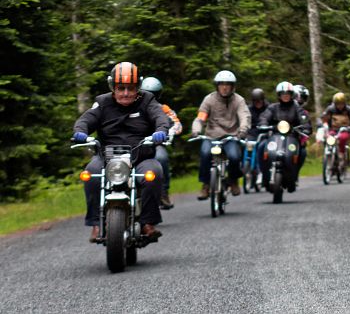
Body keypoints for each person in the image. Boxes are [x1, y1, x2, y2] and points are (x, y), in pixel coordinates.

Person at [73, 62, 171, 241]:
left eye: (131, 88)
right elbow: (86, 119)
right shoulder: (102, 102)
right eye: (121, 88)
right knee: (90, 174)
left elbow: (160, 117)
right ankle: (96, 223)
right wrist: (80, 132)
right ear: (113, 87)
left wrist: (161, 131)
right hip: (106, 157)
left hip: (140, 156)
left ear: (138, 88)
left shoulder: (147, 100)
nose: (126, 93)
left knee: (154, 173)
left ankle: (148, 223)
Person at [191, 70, 251, 200]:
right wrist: (196, 130)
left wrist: (242, 131)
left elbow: (244, 116)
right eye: (221, 84)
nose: (224, 87)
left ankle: (233, 180)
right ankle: (205, 185)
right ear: (217, 86)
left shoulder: (239, 100)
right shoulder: (209, 99)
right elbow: (200, 118)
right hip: (211, 136)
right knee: (205, 153)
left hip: (231, 136)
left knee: (235, 156)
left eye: (228, 84)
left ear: (232, 86)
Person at [258, 81, 312, 191]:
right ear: (279, 95)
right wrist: (263, 125)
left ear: (292, 95)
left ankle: (294, 176)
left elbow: (304, 119)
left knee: (302, 151)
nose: (285, 96)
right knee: (261, 146)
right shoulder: (273, 107)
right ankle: (264, 175)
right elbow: (264, 117)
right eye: (283, 94)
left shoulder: (297, 108)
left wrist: (306, 128)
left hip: (292, 137)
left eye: (288, 94)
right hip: (274, 136)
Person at [140, 77, 183, 210]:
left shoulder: (163, 108)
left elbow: (177, 123)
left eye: (153, 93)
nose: (149, 96)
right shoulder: (134, 106)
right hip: (135, 143)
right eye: (146, 92)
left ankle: (163, 193)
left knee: (161, 158)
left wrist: (168, 133)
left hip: (156, 143)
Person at [320, 92, 350, 165]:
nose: (340, 106)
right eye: (338, 104)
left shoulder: (348, 110)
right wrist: (323, 125)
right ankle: (327, 155)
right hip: (333, 130)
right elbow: (323, 118)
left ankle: (342, 154)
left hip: (345, 130)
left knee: (342, 138)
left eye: (341, 103)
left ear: (344, 103)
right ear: (335, 103)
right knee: (328, 138)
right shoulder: (330, 109)